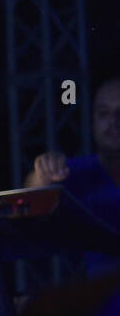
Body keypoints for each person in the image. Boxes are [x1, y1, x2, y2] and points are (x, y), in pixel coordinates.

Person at [25, 77, 120, 277]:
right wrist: (43, 171)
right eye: (103, 113)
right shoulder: (77, 171)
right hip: (100, 299)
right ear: (93, 121)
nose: (113, 122)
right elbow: (32, 194)